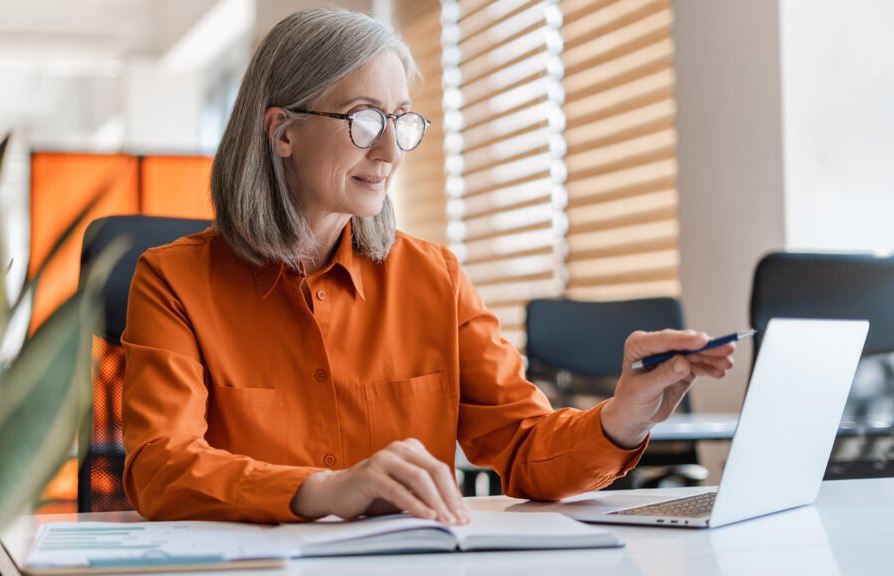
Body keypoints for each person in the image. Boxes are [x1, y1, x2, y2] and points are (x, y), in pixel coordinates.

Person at [121, 7, 735, 525]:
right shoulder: (173, 281)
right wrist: (321, 490)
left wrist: (622, 416)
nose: (389, 151)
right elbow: (158, 465)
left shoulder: (433, 279)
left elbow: (524, 448)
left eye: (400, 121)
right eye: (364, 119)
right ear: (283, 132)